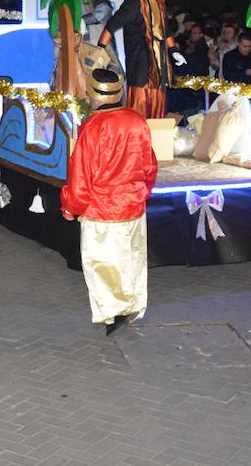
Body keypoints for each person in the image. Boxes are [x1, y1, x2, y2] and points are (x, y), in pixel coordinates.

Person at [60, 66, 158, 336]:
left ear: (92, 92)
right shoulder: (137, 121)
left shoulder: (92, 127)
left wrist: (71, 206)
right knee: (132, 258)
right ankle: (134, 305)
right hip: (133, 207)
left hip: (102, 211)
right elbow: (149, 165)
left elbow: (80, 175)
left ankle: (114, 312)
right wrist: (141, 193)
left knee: (102, 263)